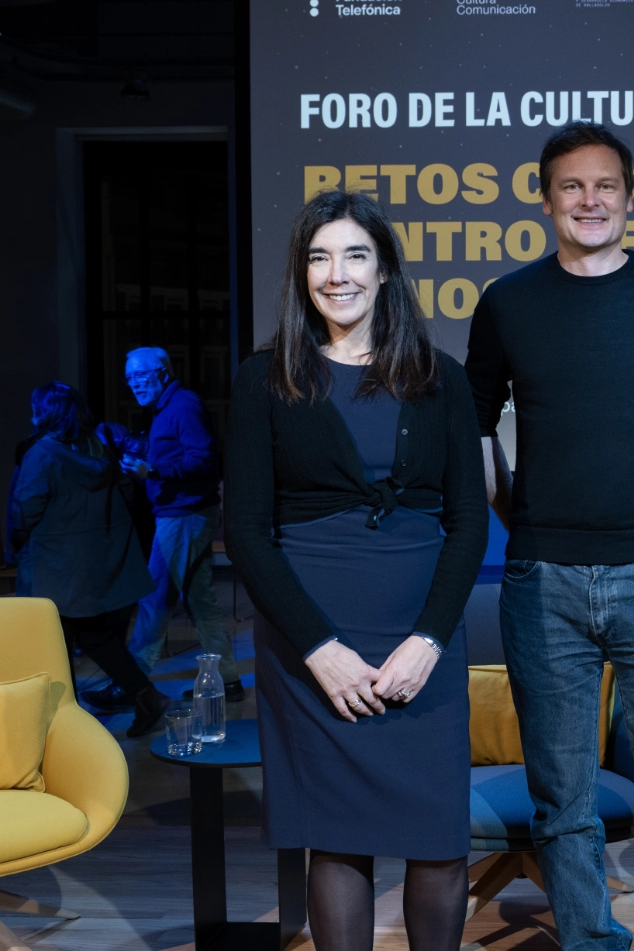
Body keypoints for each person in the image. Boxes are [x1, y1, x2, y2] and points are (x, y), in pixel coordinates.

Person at [466, 122, 634, 951]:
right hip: (540, 583)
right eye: (572, 186)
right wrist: (521, 519)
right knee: (562, 809)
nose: (590, 200)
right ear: (546, 199)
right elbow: (475, 428)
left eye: (605, 186)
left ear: (629, 196)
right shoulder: (507, 302)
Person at [226, 190, 488, 951]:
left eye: (354, 256)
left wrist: (430, 640)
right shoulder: (263, 379)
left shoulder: (442, 379)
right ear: (301, 274)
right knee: (337, 841)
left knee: (439, 842)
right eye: (319, 258)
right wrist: (320, 649)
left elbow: (469, 521)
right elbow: (245, 532)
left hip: (422, 639)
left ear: (385, 271)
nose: (336, 274)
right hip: (310, 642)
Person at [83, 346, 238, 712]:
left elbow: (203, 459)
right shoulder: (168, 408)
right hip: (185, 512)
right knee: (200, 603)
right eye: (130, 379)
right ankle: (227, 681)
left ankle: (131, 687)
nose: (135, 384)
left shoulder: (183, 405)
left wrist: (152, 470)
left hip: (184, 515)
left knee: (154, 598)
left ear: (164, 373)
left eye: (141, 376)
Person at [8, 382, 166, 737]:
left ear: (44, 412)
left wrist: (17, 544)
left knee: (55, 645)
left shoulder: (42, 454)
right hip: (95, 565)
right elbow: (127, 493)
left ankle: (66, 726)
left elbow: (25, 510)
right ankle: (145, 696)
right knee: (94, 637)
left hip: (55, 569)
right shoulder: (98, 447)